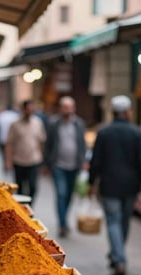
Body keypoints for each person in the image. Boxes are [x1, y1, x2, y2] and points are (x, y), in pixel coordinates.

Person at [88, 95, 141, 275]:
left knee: (114, 221)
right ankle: (119, 256)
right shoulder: (136, 133)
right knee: (123, 221)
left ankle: (118, 257)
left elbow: (96, 161)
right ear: (126, 112)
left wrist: (91, 182)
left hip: (109, 185)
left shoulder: (103, 133)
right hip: (130, 186)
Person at [44, 96, 87, 238]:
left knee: (69, 195)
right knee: (61, 194)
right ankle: (62, 224)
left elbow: (82, 143)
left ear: (73, 108)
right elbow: (48, 144)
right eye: (65, 107)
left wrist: (84, 160)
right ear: (60, 108)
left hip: (74, 165)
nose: (67, 110)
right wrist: (47, 163)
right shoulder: (54, 124)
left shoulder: (79, 124)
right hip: (58, 165)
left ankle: (65, 219)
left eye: (70, 107)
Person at [5, 100, 46, 206]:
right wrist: (8, 161)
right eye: (28, 110)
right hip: (18, 160)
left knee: (33, 186)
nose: (30, 112)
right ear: (23, 110)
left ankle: (29, 205)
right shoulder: (15, 124)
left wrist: (42, 158)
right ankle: (22, 207)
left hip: (34, 159)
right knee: (20, 187)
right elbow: (9, 144)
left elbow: (41, 141)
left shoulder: (38, 123)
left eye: (32, 110)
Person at [0, 105, 19, 169]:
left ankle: (5, 164)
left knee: (4, 154)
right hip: (13, 140)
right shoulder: (15, 116)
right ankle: (11, 165)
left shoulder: (0, 116)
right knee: (13, 153)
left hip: (2, 139)